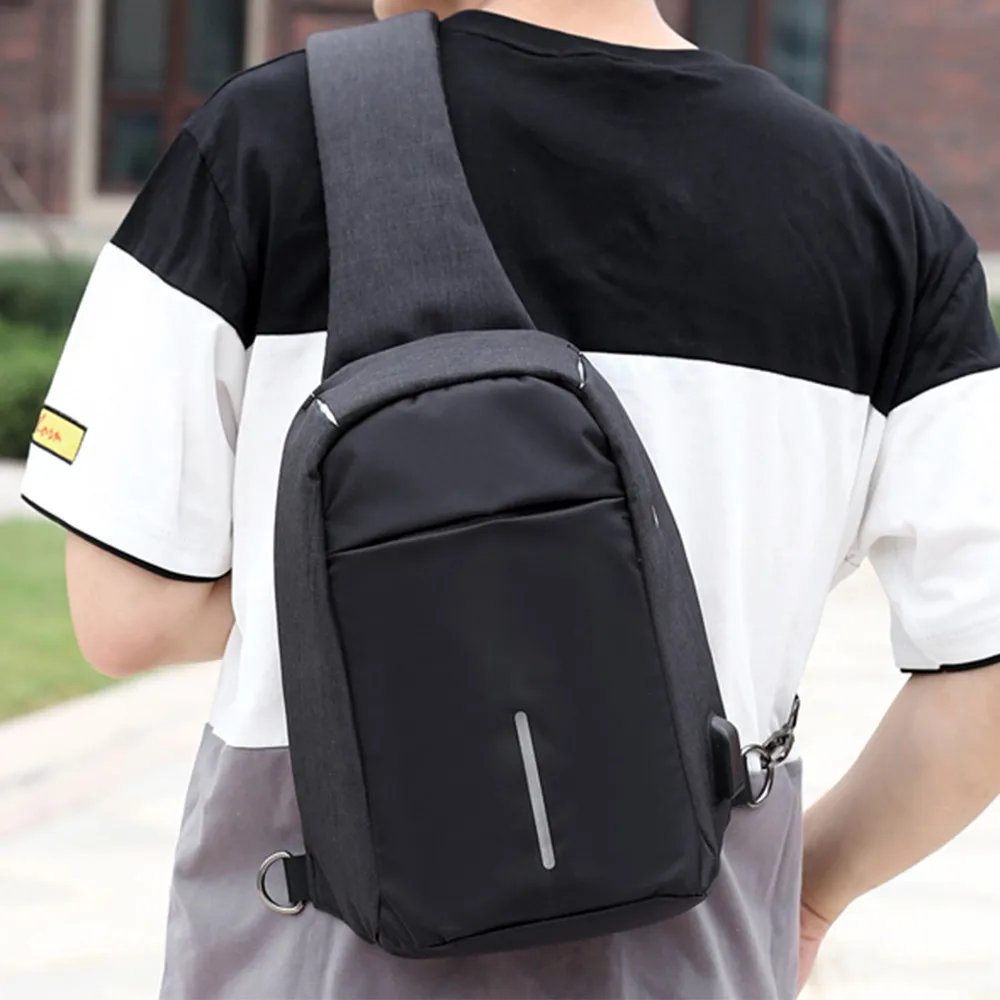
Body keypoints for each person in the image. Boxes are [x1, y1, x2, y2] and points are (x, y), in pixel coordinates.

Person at [20, 0, 1000, 997]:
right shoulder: (887, 224)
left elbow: (126, 614)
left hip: (321, 955)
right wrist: (808, 894)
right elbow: (984, 671)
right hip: (693, 954)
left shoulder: (265, 142)